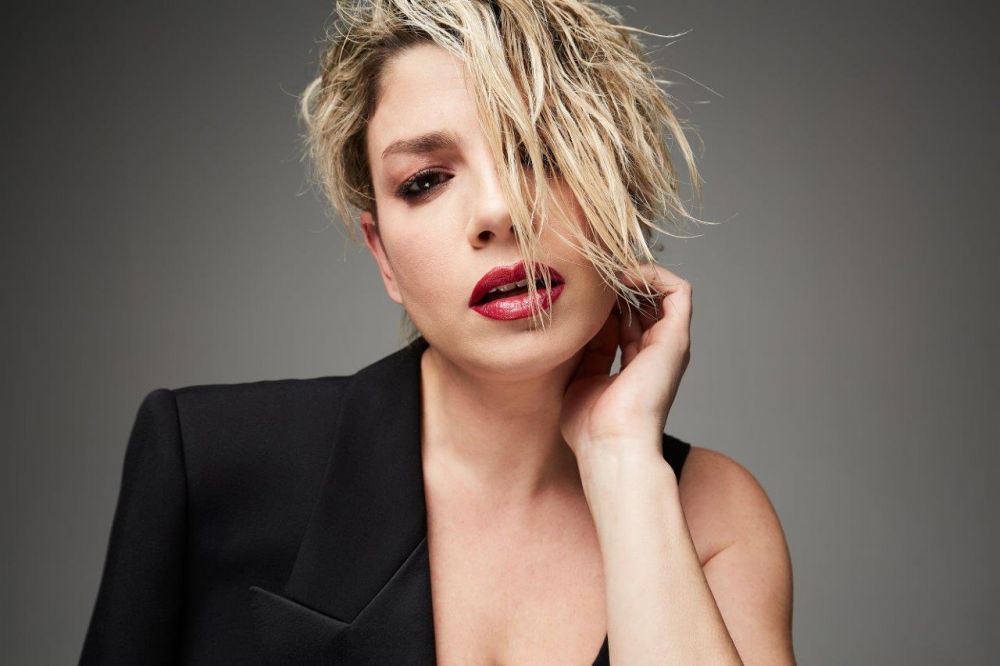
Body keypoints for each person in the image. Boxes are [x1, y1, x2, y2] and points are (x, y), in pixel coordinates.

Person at [80, 1, 794, 664]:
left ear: (623, 193)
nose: (498, 211)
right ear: (383, 256)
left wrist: (622, 464)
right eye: (425, 180)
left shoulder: (715, 513)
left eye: (542, 153)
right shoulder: (209, 458)